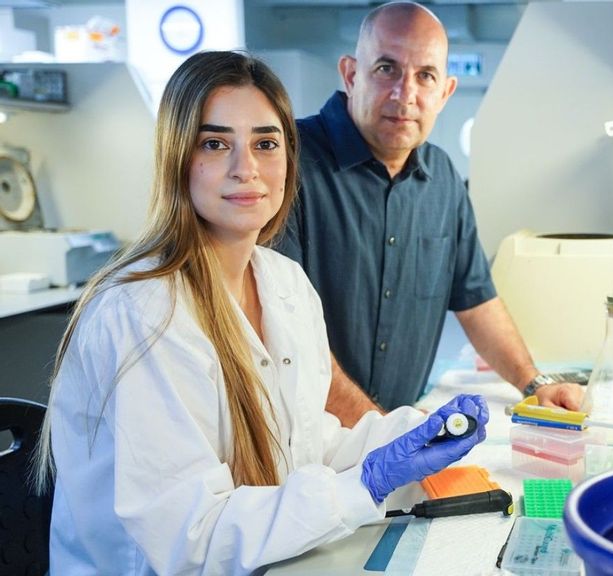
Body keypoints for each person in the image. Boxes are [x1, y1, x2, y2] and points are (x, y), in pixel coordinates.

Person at [34, 51, 488, 575]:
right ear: (177, 158)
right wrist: (364, 484)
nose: (245, 168)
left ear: (290, 160)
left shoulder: (284, 282)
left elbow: (303, 441)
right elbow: (190, 537)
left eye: (265, 144)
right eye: (215, 143)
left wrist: (410, 436)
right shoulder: (144, 312)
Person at [277, 1, 583, 425]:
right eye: (387, 68)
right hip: (304, 435)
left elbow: (476, 301)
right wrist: (384, 430)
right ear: (350, 74)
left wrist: (534, 384)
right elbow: (284, 332)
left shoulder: (442, 178)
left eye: (425, 76)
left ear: (445, 92)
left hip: (394, 428)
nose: (405, 95)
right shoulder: (287, 162)